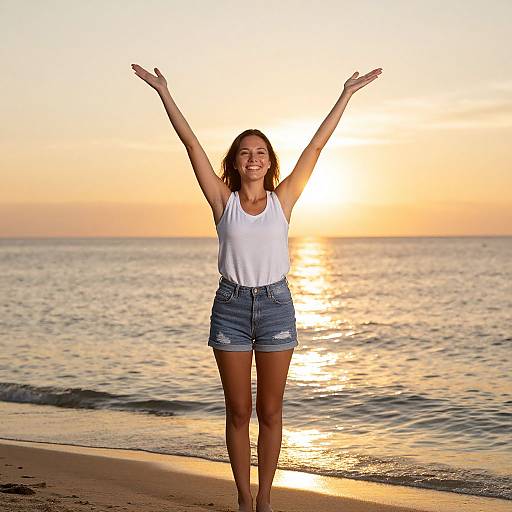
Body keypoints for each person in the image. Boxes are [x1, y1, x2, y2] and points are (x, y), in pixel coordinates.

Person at [131, 63, 382, 512]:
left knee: (270, 411)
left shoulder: (283, 201)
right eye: (245, 152)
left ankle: (265, 499)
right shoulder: (221, 201)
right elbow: (191, 145)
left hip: (275, 306)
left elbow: (317, 146)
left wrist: (345, 94)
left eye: (261, 152)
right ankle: (244, 498)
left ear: (269, 162)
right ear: (235, 161)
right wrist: (164, 92)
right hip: (230, 306)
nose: (253, 158)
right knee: (239, 412)